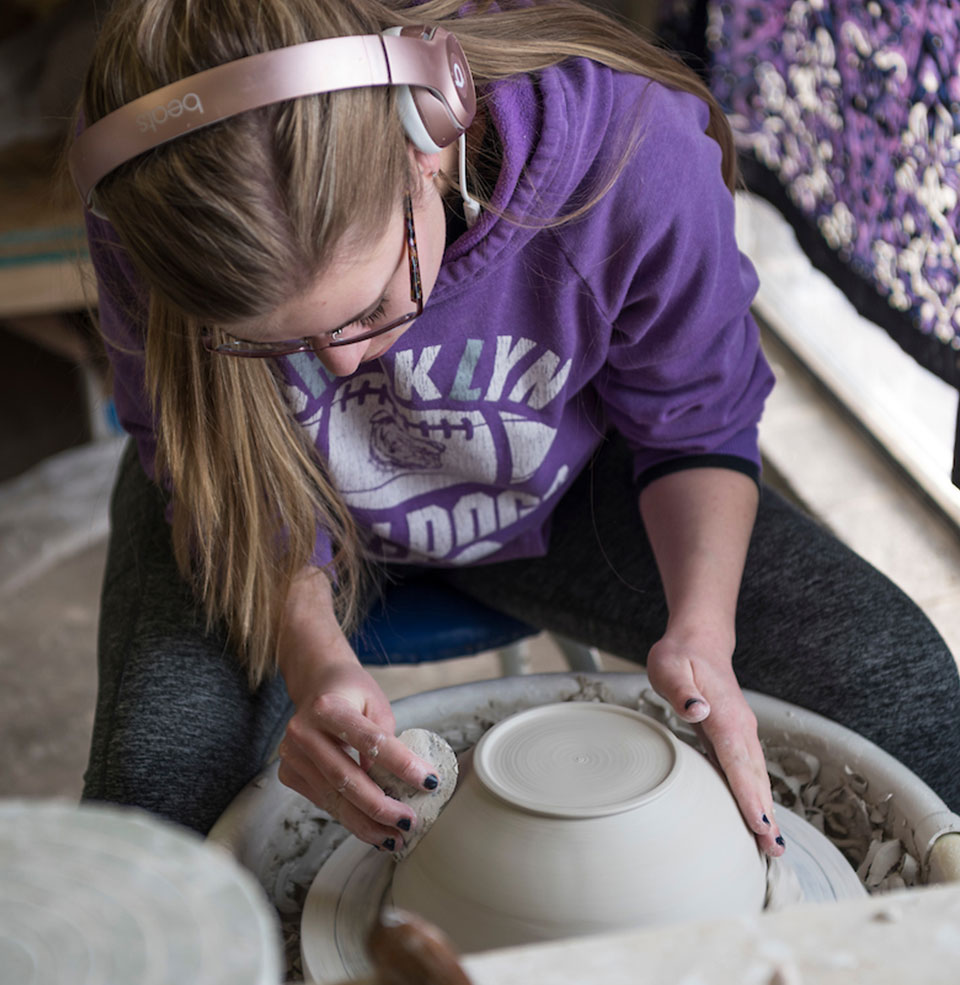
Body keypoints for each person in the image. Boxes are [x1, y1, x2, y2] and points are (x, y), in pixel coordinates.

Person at [74, 0, 960, 855]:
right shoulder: (154, 201)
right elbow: (205, 467)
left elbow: (695, 421)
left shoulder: (630, 150)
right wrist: (310, 654)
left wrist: (702, 632)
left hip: (569, 469)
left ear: (427, 137)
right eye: (275, 344)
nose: (340, 369)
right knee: (153, 807)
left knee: (890, 680)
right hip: (260, 487)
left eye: (371, 303)